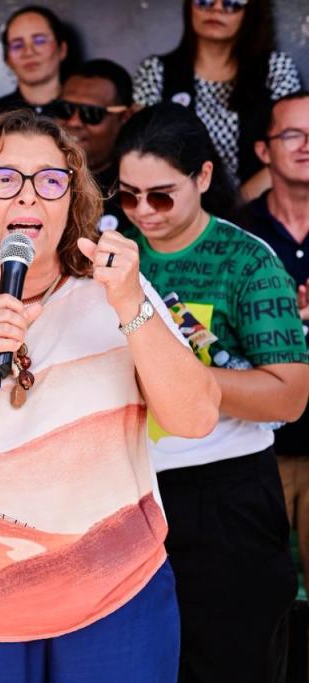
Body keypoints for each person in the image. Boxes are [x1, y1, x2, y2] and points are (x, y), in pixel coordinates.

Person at [0, 109, 220, 681]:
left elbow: (196, 417)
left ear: (70, 203)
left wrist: (129, 304)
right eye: (3, 178)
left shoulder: (117, 293)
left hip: (118, 593)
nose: (27, 195)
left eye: (49, 180)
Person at [116, 103, 308, 681]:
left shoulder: (247, 261)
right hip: (127, 491)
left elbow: (289, 395)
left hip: (225, 494)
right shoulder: (112, 256)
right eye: (128, 196)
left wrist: (177, 377)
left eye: (161, 196)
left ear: (202, 177)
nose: (142, 212)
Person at [132, 0, 302, 201]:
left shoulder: (276, 68)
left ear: (250, 11)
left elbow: (292, 144)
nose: (217, 9)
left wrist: (238, 205)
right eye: (205, 1)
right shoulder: (155, 70)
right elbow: (141, 149)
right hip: (176, 205)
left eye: (232, 3)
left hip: (257, 206)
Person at [245, 92, 309, 589]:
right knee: (257, 595)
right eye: (292, 134)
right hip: (257, 448)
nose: (307, 145)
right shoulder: (238, 234)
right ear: (264, 151)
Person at [49, 59, 134, 230]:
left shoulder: (136, 191)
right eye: (65, 109)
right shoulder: (33, 176)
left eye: (92, 113)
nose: (74, 122)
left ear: (125, 117)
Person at [0, 6, 70, 117]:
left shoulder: (82, 114)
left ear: (62, 49)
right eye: (17, 45)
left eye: (40, 41)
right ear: (6, 59)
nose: (28, 52)